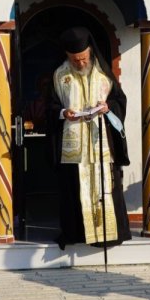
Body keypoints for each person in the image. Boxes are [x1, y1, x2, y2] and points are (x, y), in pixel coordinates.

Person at [48, 26, 130, 250]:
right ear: (67, 56)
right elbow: (50, 106)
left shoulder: (103, 74)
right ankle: (77, 235)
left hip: (101, 143)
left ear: (90, 52)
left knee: (105, 188)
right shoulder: (59, 75)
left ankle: (108, 235)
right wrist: (63, 113)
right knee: (75, 190)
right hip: (73, 148)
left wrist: (108, 107)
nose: (81, 64)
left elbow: (119, 101)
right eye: (75, 60)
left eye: (83, 59)